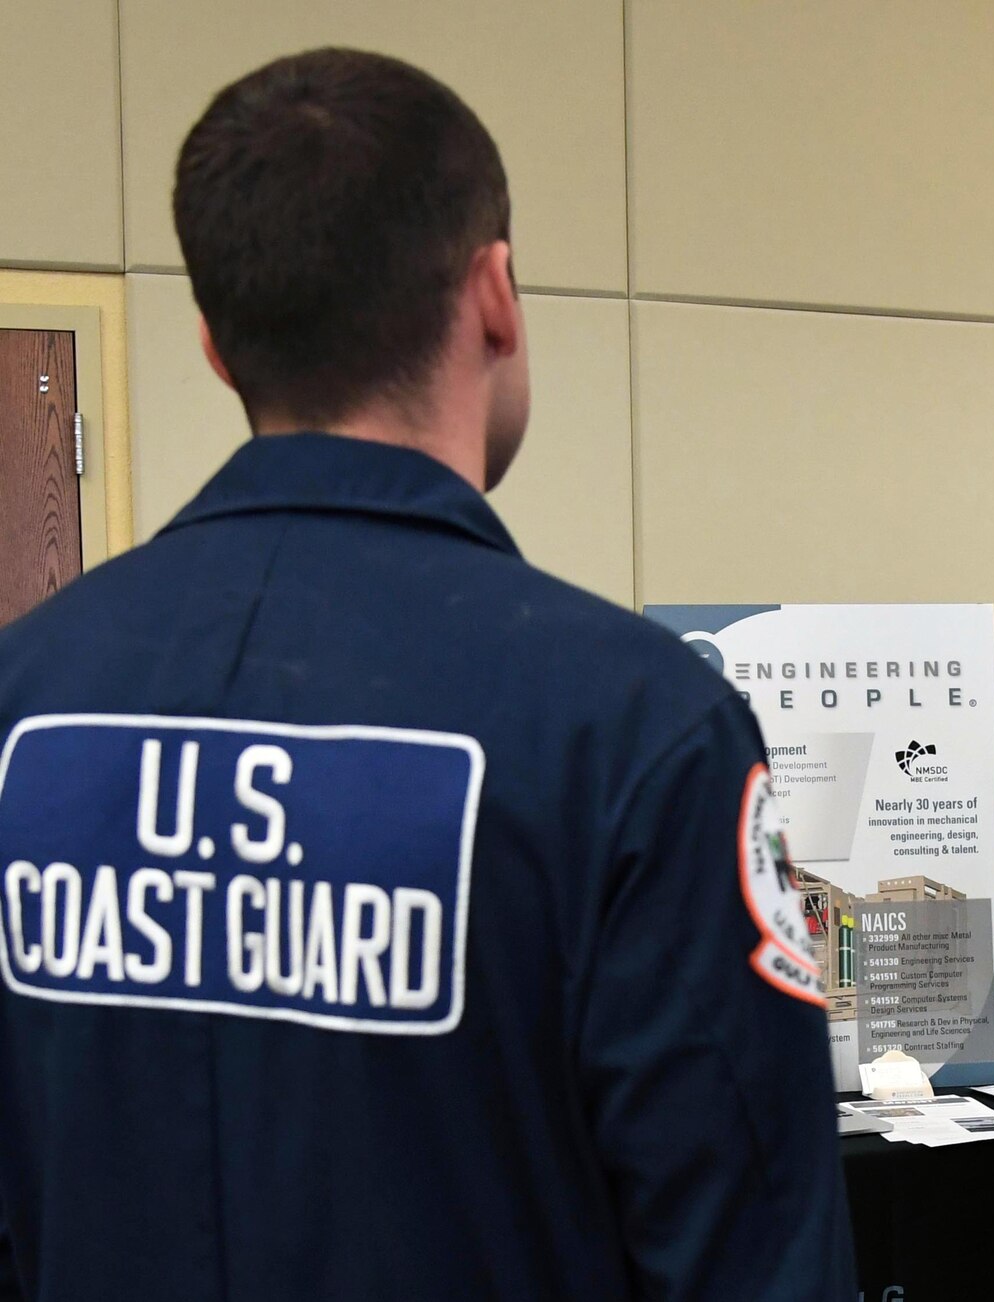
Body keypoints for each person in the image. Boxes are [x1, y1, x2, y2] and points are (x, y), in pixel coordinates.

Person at [0, 49, 852, 1300]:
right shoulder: (639, 728)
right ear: (495, 293)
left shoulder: (25, 694)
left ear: (217, 345)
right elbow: (749, 1254)